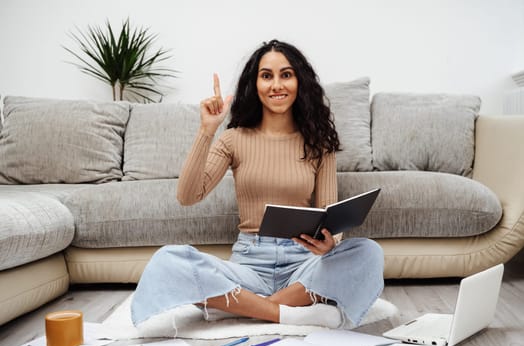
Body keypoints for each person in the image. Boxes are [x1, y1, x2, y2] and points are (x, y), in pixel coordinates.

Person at [131, 39, 384, 329]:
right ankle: (286, 311)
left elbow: (328, 213)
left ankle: (242, 306)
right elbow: (187, 196)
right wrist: (206, 130)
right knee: (168, 260)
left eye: (286, 75)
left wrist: (330, 243)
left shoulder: (319, 143)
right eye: (267, 76)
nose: (277, 85)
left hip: (303, 263)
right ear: (255, 84)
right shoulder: (233, 139)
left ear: (300, 82)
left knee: (368, 253)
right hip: (250, 264)